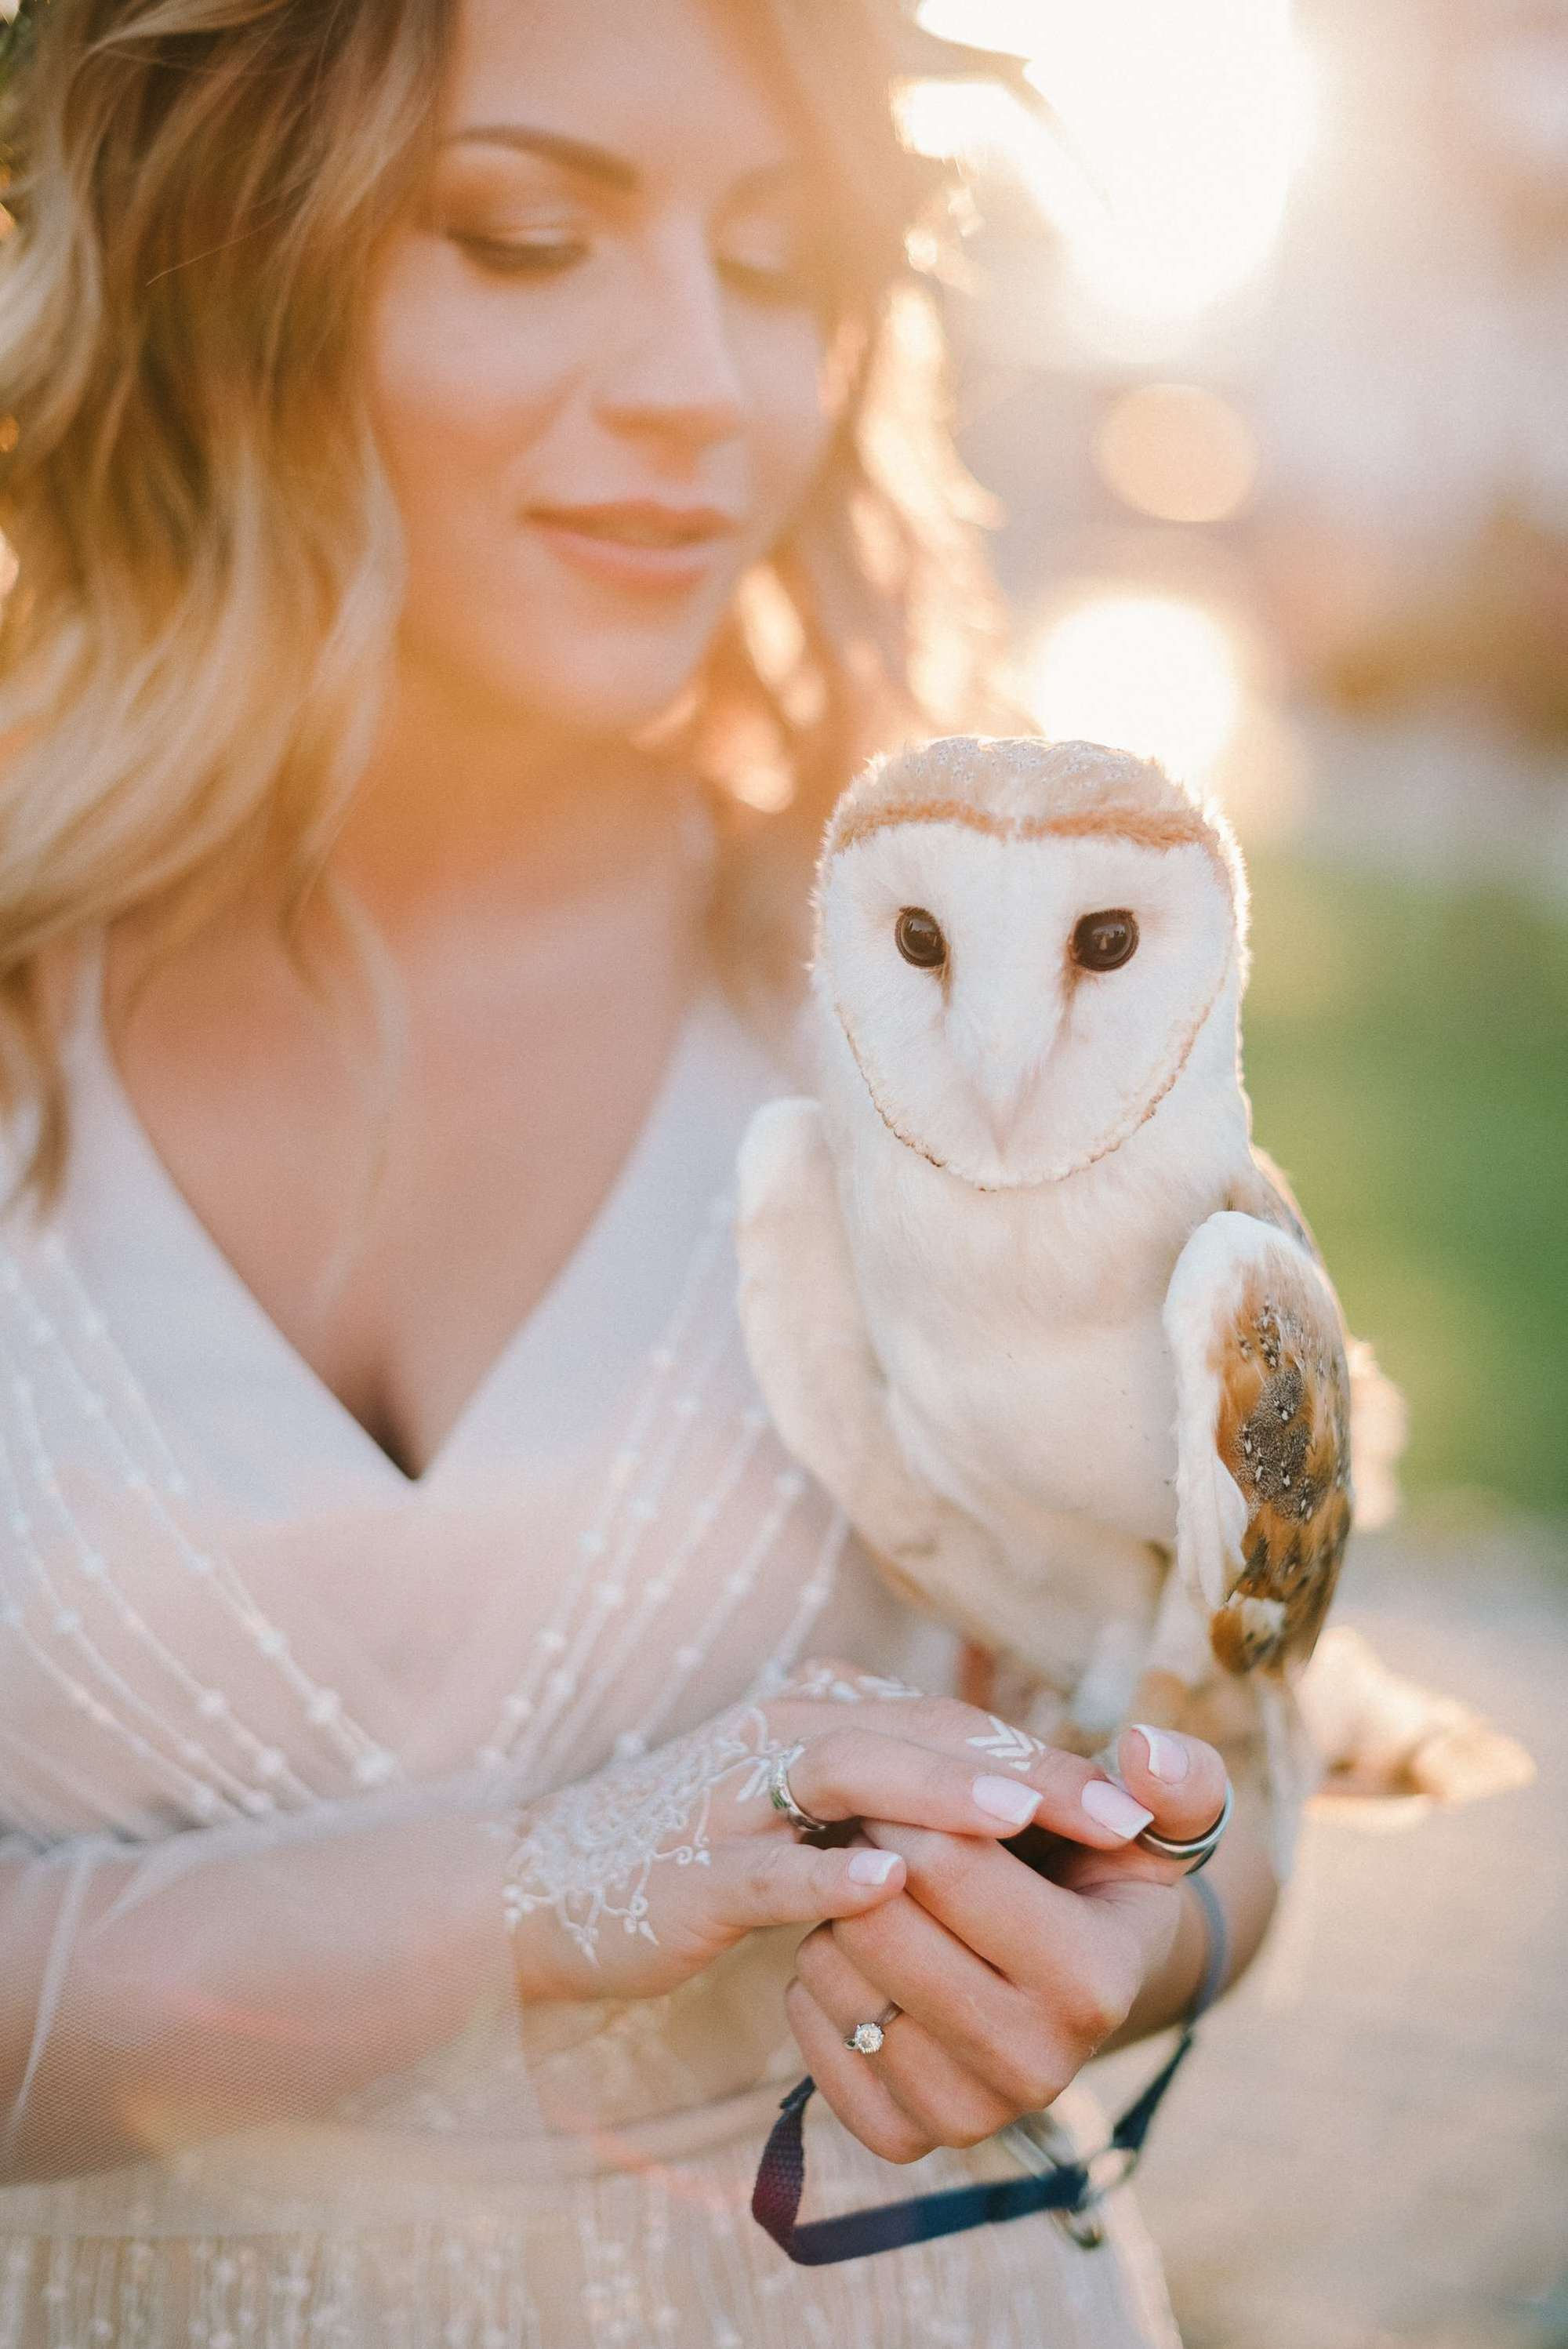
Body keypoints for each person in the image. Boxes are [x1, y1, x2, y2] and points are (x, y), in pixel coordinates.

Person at [0, 1, 1285, 2340]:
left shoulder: (945, 1003)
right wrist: (541, 1880)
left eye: (780, 266)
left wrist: (1141, 1918)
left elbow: (1238, 1758)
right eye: (524, 233)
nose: (711, 381)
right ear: (216, 262)